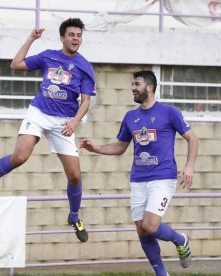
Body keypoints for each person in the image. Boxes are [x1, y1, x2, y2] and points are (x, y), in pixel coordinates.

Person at [0, 18, 96, 243]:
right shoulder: (48, 56)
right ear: (62, 38)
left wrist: (74, 122)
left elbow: (86, 101)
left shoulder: (85, 67)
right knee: (20, 157)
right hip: (39, 113)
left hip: (64, 121)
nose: (75, 38)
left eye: (78, 35)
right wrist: (31, 39)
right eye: (71, 35)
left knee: (75, 175)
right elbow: (15, 64)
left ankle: (74, 216)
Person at [80, 70, 198, 275]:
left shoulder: (170, 112)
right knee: (142, 230)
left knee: (151, 225)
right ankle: (161, 273)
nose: (133, 88)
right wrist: (96, 148)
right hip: (138, 180)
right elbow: (120, 147)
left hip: (163, 177)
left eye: (137, 84)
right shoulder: (130, 117)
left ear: (149, 88)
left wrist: (189, 167)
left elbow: (192, 139)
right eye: (132, 85)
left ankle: (180, 239)